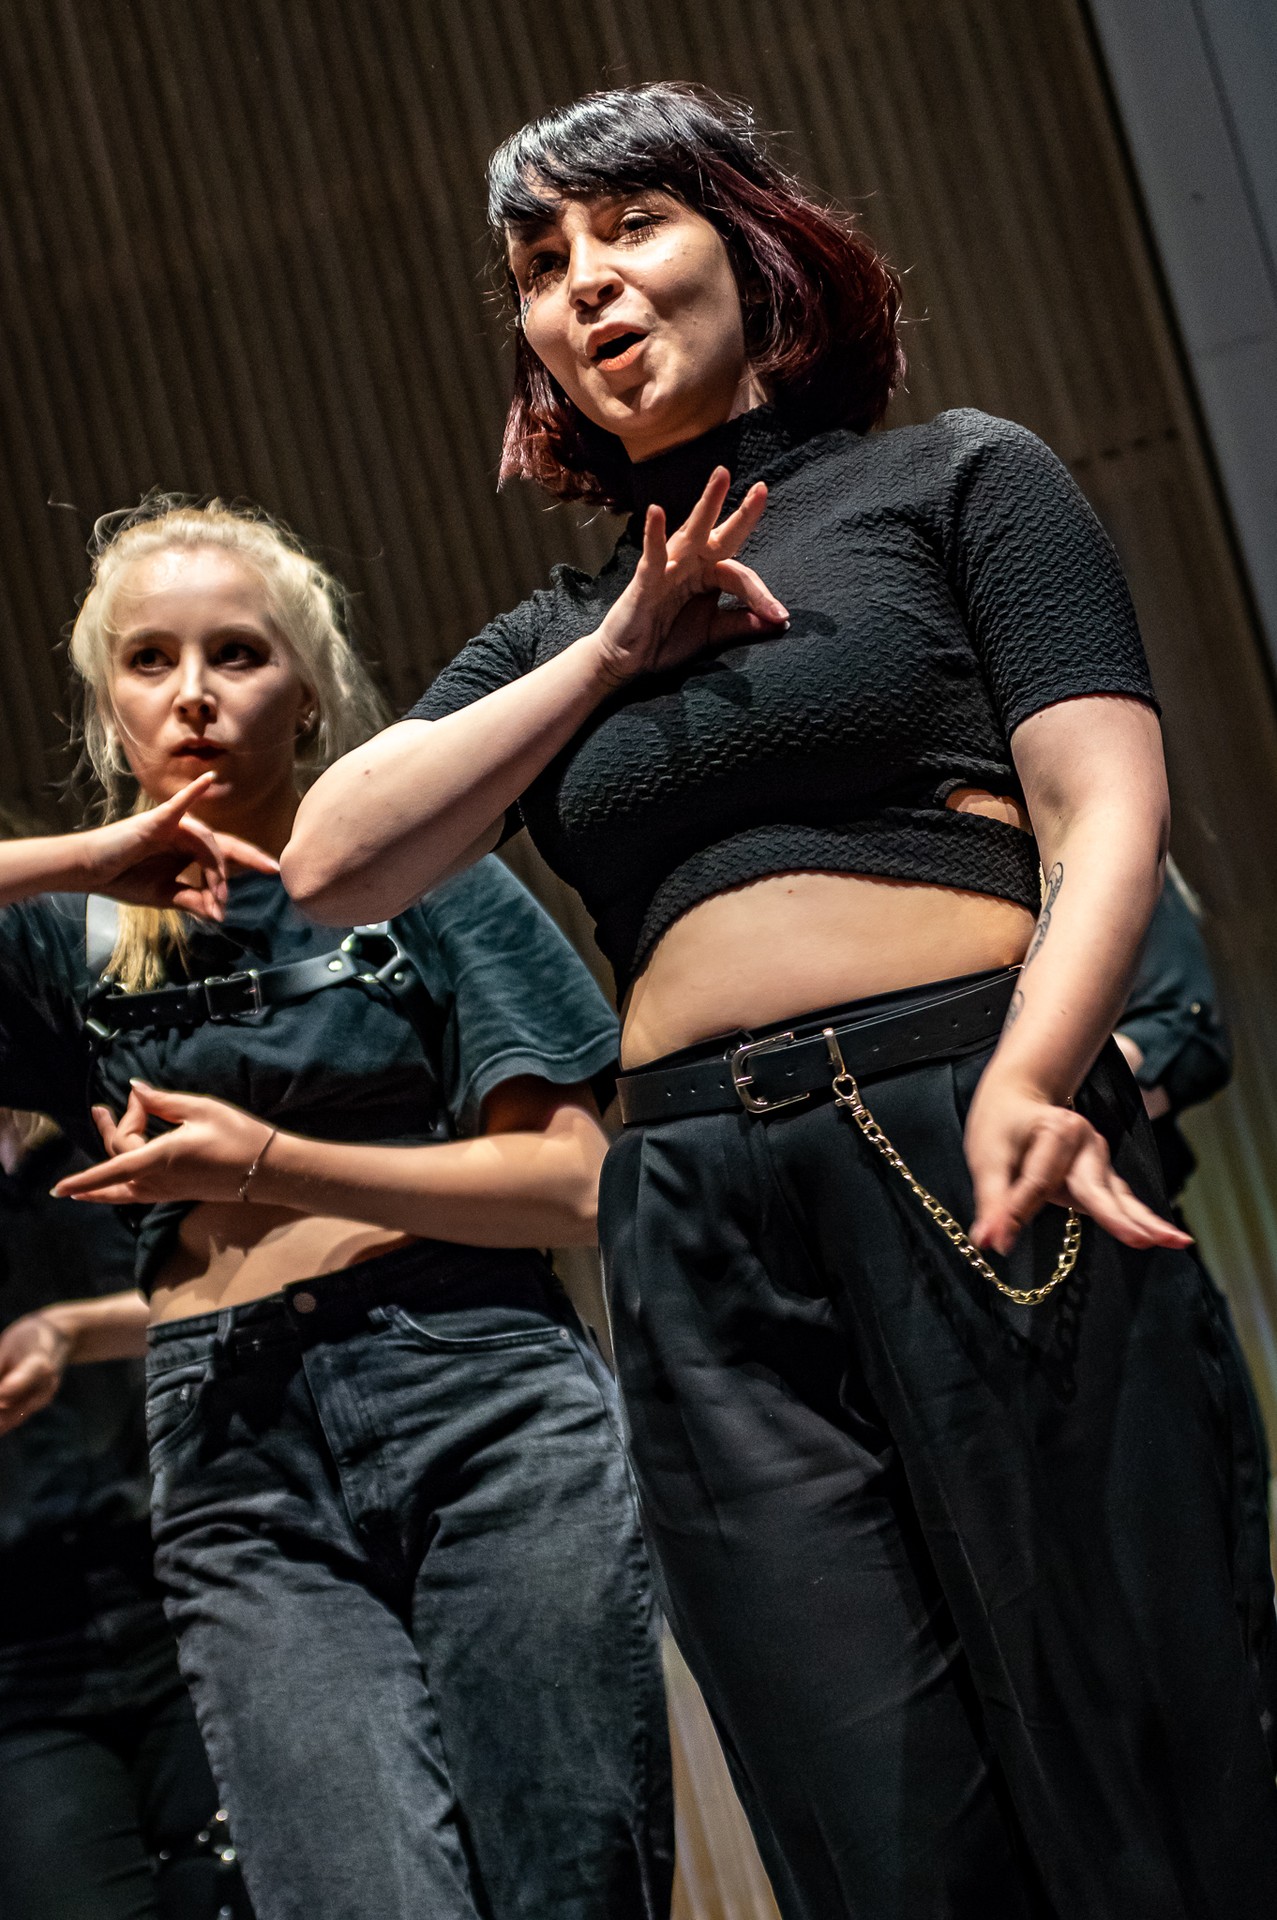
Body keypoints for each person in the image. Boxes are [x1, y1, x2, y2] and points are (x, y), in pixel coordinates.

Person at [281, 82, 1277, 1920]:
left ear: (750, 248)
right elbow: (334, 860)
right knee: (866, 1814)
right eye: (539, 264)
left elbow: (1101, 811)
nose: (584, 283)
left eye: (629, 225)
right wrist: (612, 650)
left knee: (1134, 1747)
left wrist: (1038, 1067)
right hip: (694, 1212)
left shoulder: (956, 478)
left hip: (966, 1118)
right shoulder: (553, 635)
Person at [0, 500, 673, 1920]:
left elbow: (575, 1185)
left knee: (568, 1885)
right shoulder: (69, 941)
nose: (191, 694)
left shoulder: (419, 873)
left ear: (308, 696)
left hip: (476, 1393)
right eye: (148, 660)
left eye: (237, 654)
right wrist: (75, 861)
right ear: (106, 702)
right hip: (232, 1447)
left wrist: (271, 1164)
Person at [0, 1104, 252, 1920]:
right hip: (24, 1663)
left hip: (192, 1593)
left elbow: (248, 1285)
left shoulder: (103, 1113)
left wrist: (68, 1331)